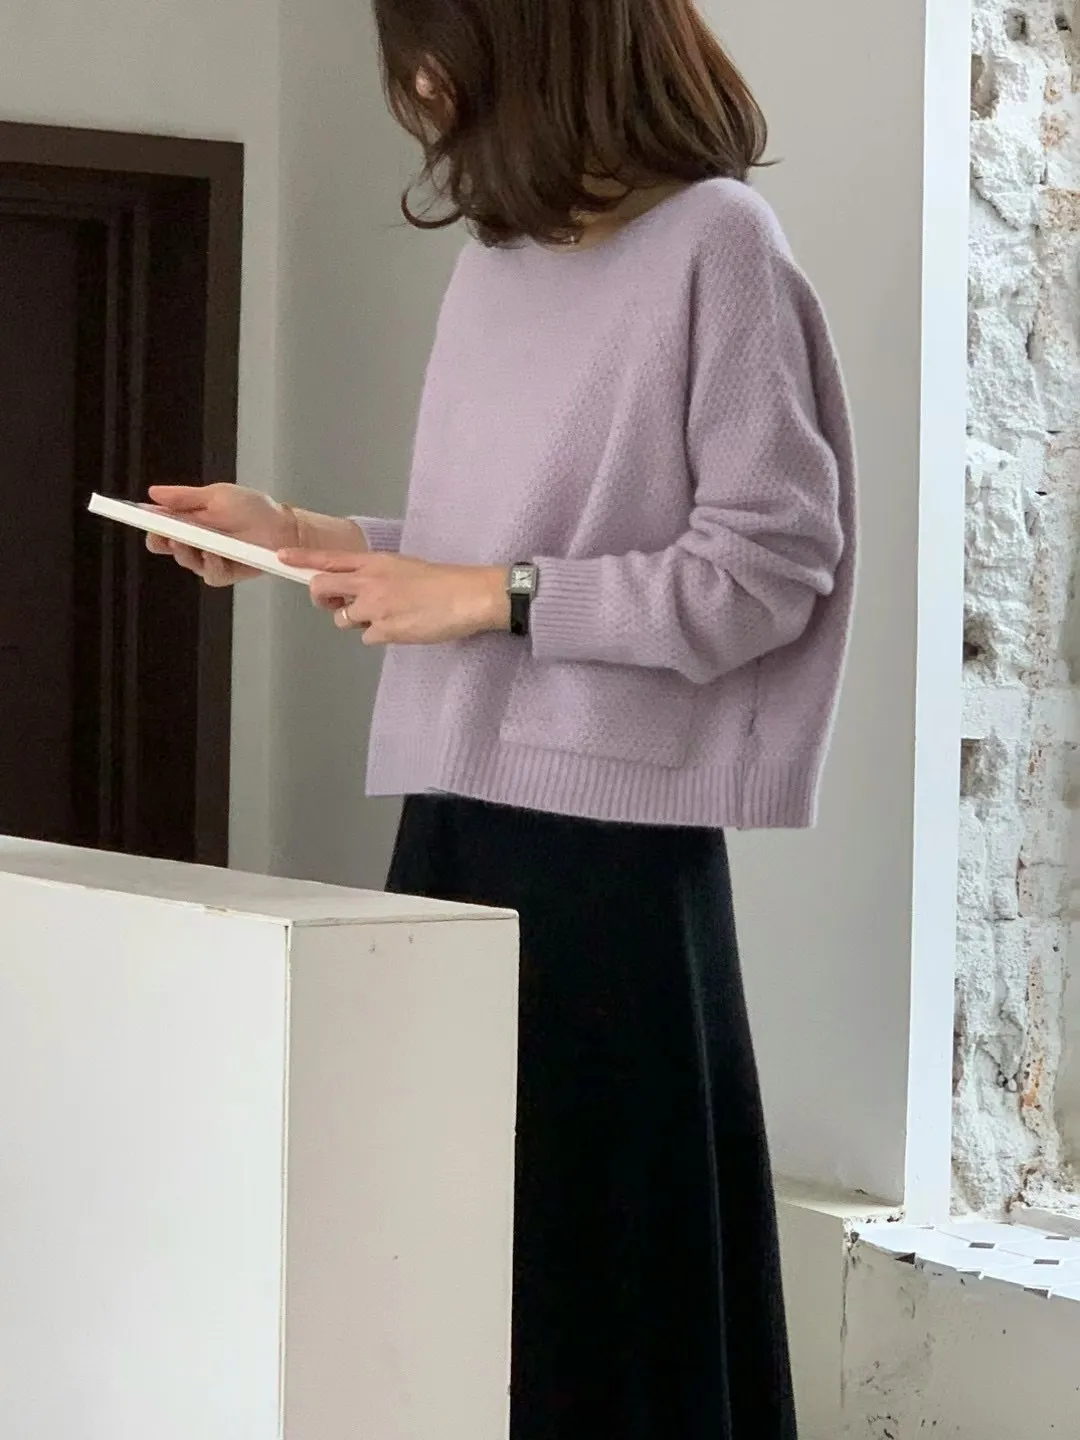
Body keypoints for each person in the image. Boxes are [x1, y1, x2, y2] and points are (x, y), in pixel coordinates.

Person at [147, 1, 856, 1434]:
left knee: (606, 1293)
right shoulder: (495, 267)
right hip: (456, 823)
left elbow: (769, 567)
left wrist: (493, 598)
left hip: (610, 856)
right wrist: (303, 535)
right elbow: (486, 555)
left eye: (435, 48)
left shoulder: (718, 244)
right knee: (457, 1276)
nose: (418, 85)